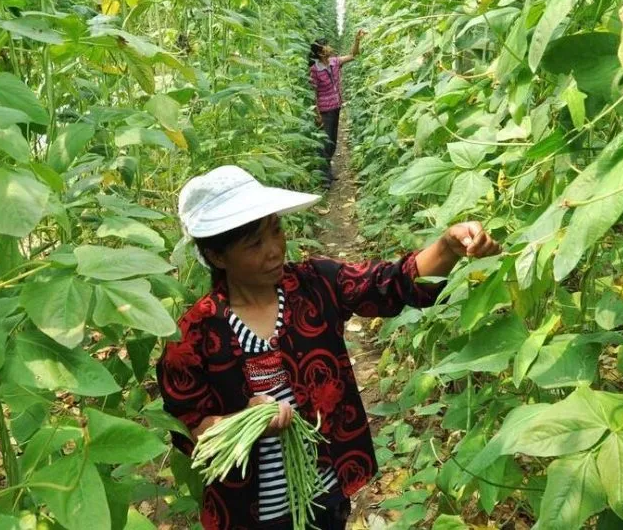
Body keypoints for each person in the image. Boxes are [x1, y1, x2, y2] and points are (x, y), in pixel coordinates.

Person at [156, 165, 502, 530]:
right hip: (249, 513)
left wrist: (448, 246)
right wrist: (246, 422)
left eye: (276, 231)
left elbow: (389, 283)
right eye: (254, 244)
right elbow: (190, 425)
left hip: (325, 492)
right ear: (217, 257)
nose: (274, 250)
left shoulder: (314, 285)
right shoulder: (193, 336)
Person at [308, 30, 365, 186]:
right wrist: (317, 114)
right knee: (324, 143)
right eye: (325, 46)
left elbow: (353, 55)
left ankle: (328, 172)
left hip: (336, 107)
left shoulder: (334, 62)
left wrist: (357, 40)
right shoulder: (314, 70)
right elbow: (313, 93)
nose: (329, 47)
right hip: (324, 111)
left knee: (332, 141)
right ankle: (324, 177)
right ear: (320, 53)